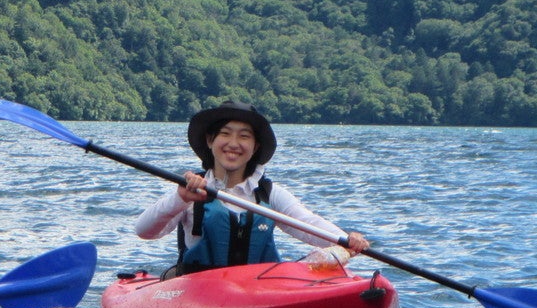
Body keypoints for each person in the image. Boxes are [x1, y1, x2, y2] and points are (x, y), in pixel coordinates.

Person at [134, 101, 369, 276]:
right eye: (225, 134)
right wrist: (180, 198)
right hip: (198, 288)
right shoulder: (192, 188)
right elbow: (144, 230)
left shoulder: (269, 194)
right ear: (210, 141)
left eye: (244, 137)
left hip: (254, 288)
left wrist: (345, 239)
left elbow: (307, 223)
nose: (233, 144)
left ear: (255, 146)